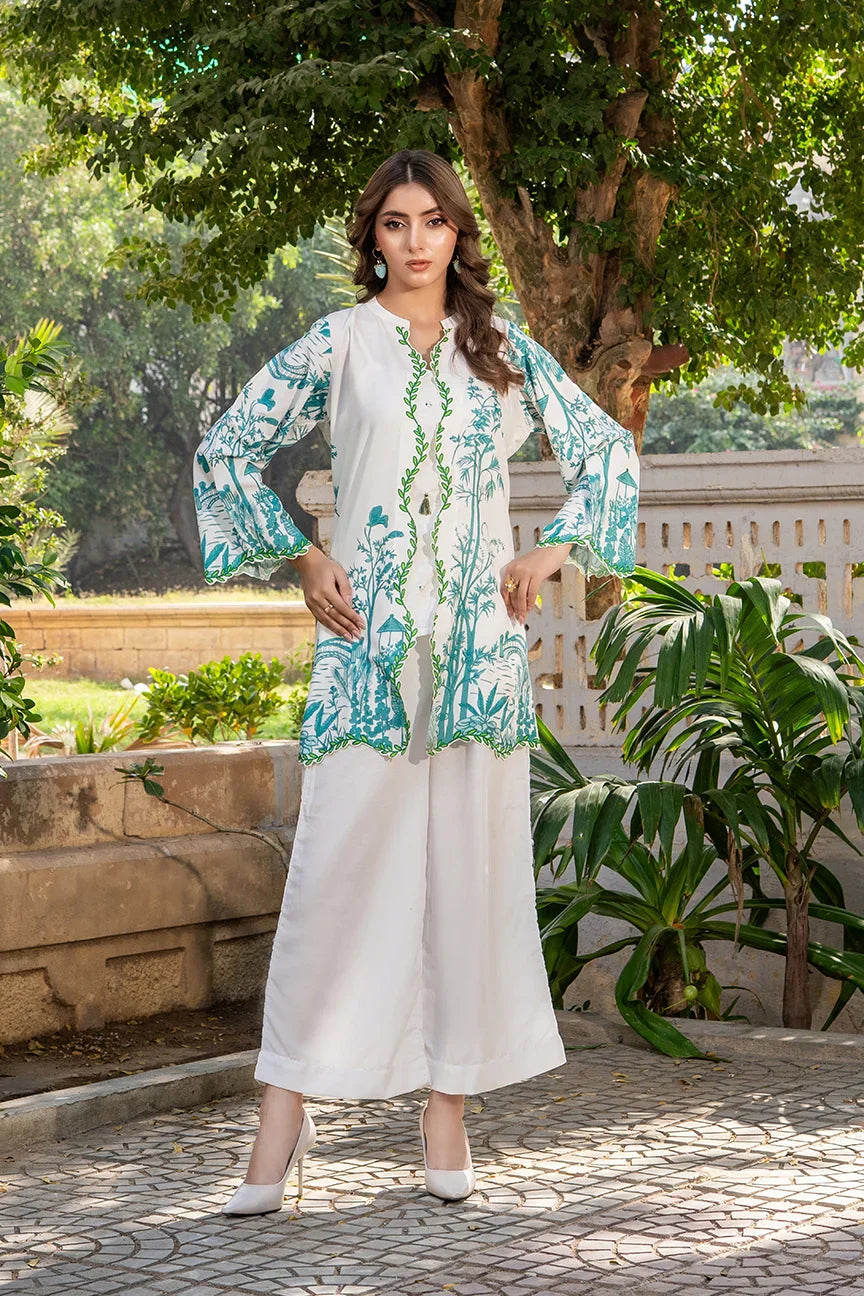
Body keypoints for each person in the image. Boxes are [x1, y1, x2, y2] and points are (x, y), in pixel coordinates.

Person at [192, 148, 640, 1212]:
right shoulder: (339, 344)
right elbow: (226, 450)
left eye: (433, 220)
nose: (416, 240)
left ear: (457, 233)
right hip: (368, 653)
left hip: (479, 657)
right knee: (334, 882)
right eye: (395, 223)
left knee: (469, 883)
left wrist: (552, 550)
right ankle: (283, 1115)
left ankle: (447, 1110)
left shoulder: (500, 351)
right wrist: (302, 555)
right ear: (374, 238)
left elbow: (609, 454)